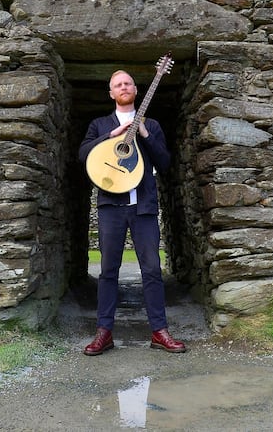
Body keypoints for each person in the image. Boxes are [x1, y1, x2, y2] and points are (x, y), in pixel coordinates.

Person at [78, 69, 186, 355]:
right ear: (111, 93)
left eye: (127, 83)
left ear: (136, 90)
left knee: (151, 270)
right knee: (108, 271)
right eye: (117, 84)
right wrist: (111, 135)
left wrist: (145, 133)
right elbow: (83, 154)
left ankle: (159, 332)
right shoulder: (99, 124)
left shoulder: (152, 125)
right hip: (111, 206)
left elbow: (164, 162)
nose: (123, 87)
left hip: (144, 206)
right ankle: (104, 332)